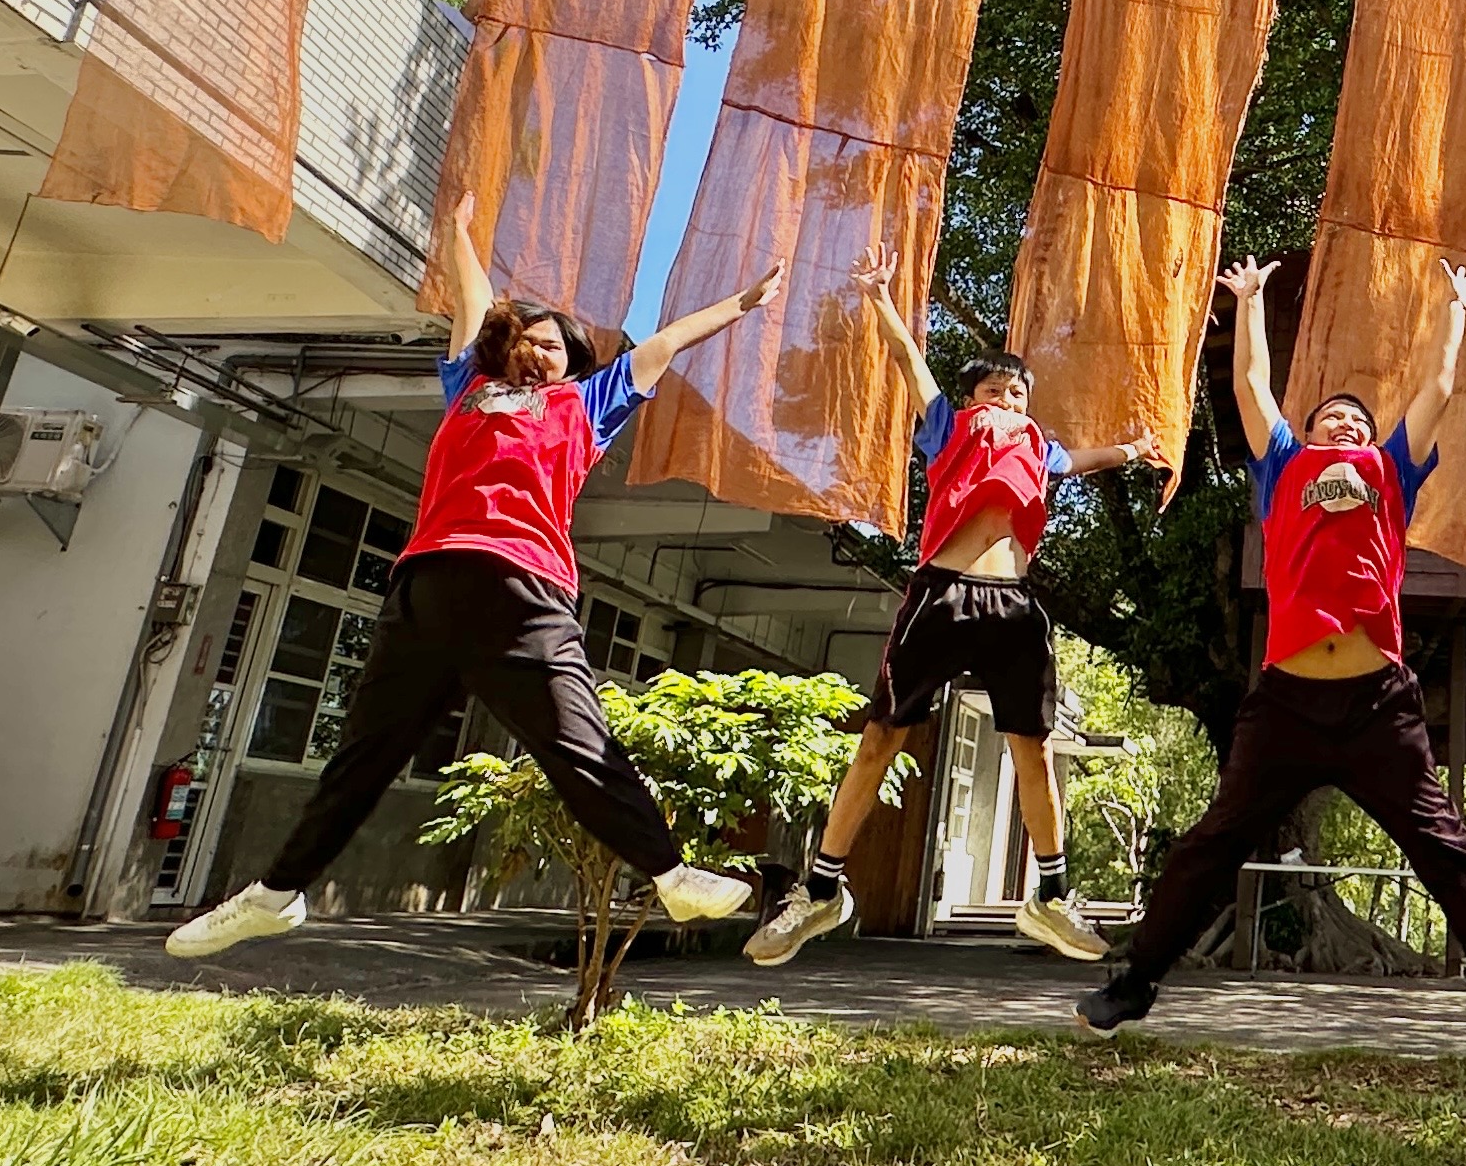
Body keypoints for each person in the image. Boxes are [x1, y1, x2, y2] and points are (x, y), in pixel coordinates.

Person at [168, 199, 785, 959]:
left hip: (526, 593)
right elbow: (470, 296)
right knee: (366, 752)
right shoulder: (468, 385)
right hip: (426, 588)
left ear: (574, 362)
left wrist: (743, 303)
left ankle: (668, 872)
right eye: (530, 336)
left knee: (577, 744)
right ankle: (276, 893)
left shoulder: (588, 405)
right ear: (505, 345)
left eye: (557, 344)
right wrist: (459, 233)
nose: (543, 349)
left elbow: (667, 342)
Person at [1077, 255, 1466, 1047]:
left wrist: (1454, 311)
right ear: (1304, 435)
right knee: (1217, 839)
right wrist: (1251, 303)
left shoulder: (1388, 470)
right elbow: (1251, 390)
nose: (1346, 425)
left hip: (1378, 701)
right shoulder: (1283, 466)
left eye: (1357, 421)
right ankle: (1135, 982)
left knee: (1440, 838)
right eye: (1331, 418)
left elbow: (1435, 392)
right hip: (1287, 702)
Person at [748, 251, 1164, 968]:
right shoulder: (952, 428)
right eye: (995, 390)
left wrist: (1132, 448)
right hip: (941, 593)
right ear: (972, 399)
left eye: (1017, 394)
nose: (1007, 401)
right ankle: (820, 889)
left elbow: (1080, 460)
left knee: (1032, 747)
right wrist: (880, 299)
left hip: (1014, 606)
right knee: (881, 737)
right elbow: (912, 366)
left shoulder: (1036, 447)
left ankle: (1053, 896)